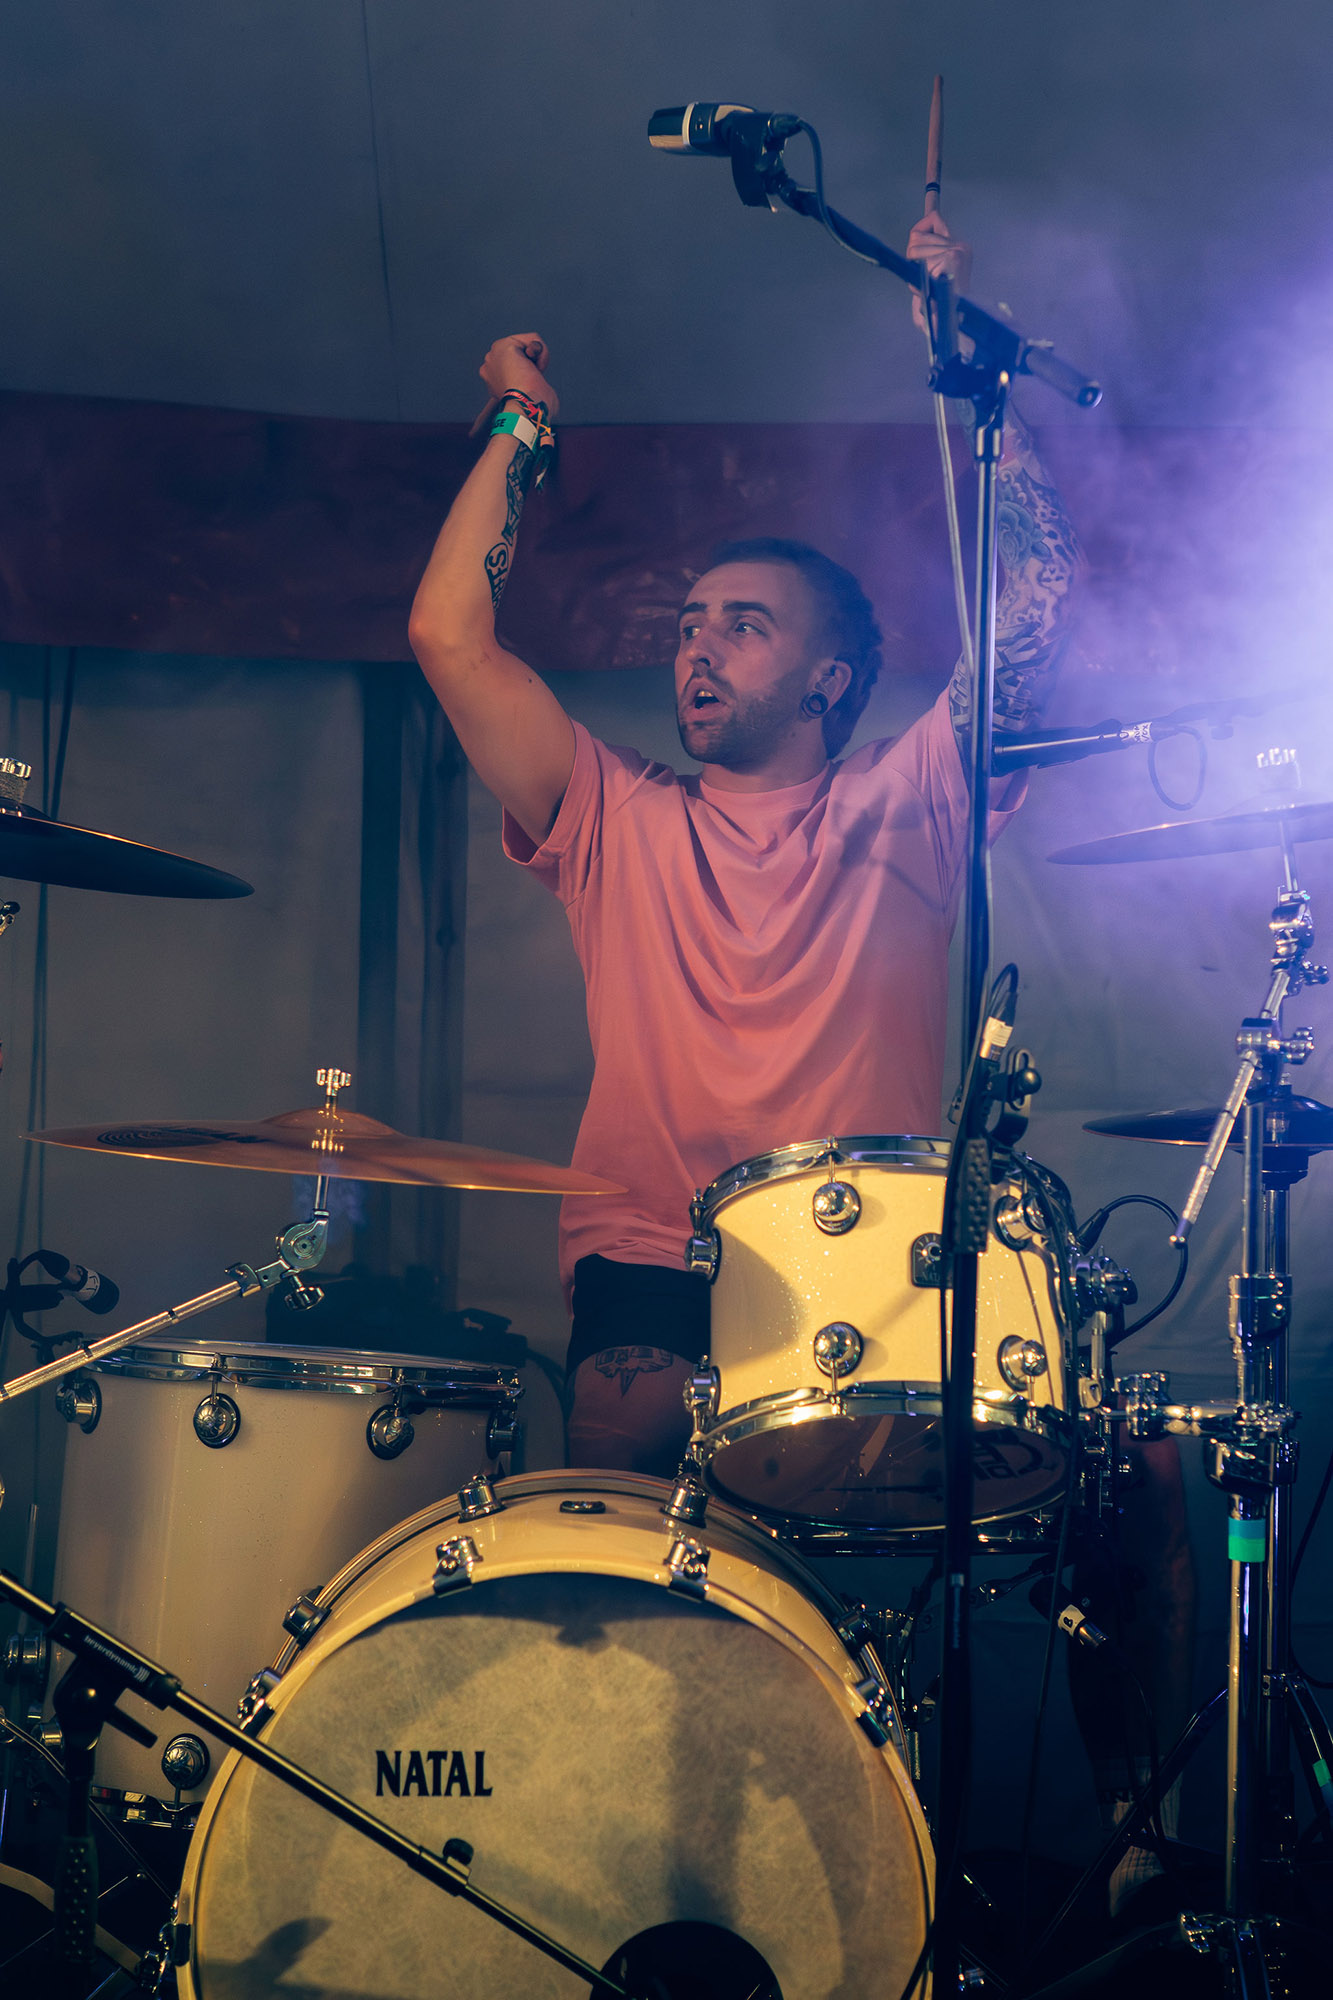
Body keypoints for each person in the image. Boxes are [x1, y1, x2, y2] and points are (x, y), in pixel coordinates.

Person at [409, 209, 1193, 1913]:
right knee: (612, 1506)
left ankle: (1144, 1846)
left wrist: (964, 368)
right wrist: (519, 430)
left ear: (832, 675)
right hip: (659, 1274)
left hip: (894, 1278)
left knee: (1141, 1471)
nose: (694, 646)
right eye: (688, 622)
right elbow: (451, 641)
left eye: (742, 625)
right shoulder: (610, 816)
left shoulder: (913, 793)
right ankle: (621, 1882)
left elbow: (1030, 615)